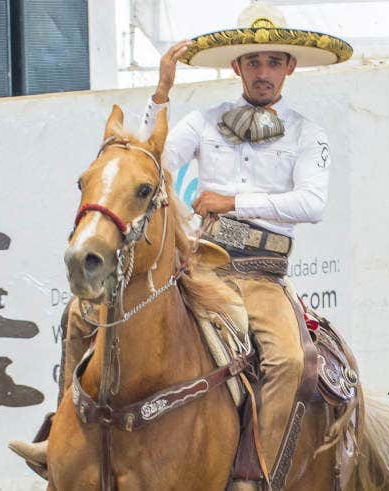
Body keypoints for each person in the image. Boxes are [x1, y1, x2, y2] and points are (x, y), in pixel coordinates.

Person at [8, 2, 352, 489]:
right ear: (236, 67)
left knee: (289, 360)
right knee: (79, 316)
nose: (263, 72)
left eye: (273, 62)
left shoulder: (308, 134)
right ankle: (61, 438)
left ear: (289, 67)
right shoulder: (204, 121)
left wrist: (232, 200)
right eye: (253, 62)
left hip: (262, 272)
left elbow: (312, 202)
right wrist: (162, 92)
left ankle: (257, 473)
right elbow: (151, 160)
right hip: (200, 262)